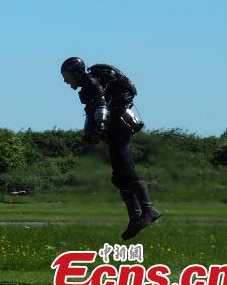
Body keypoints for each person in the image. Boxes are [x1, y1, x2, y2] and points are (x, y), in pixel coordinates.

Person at [61, 57, 161, 240]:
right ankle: (135, 217)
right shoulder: (89, 84)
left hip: (118, 128)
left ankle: (148, 211)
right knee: (119, 176)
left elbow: (101, 104)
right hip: (114, 130)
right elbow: (93, 109)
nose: (66, 81)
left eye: (67, 76)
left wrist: (99, 128)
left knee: (126, 171)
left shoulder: (91, 82)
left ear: (76, 72)